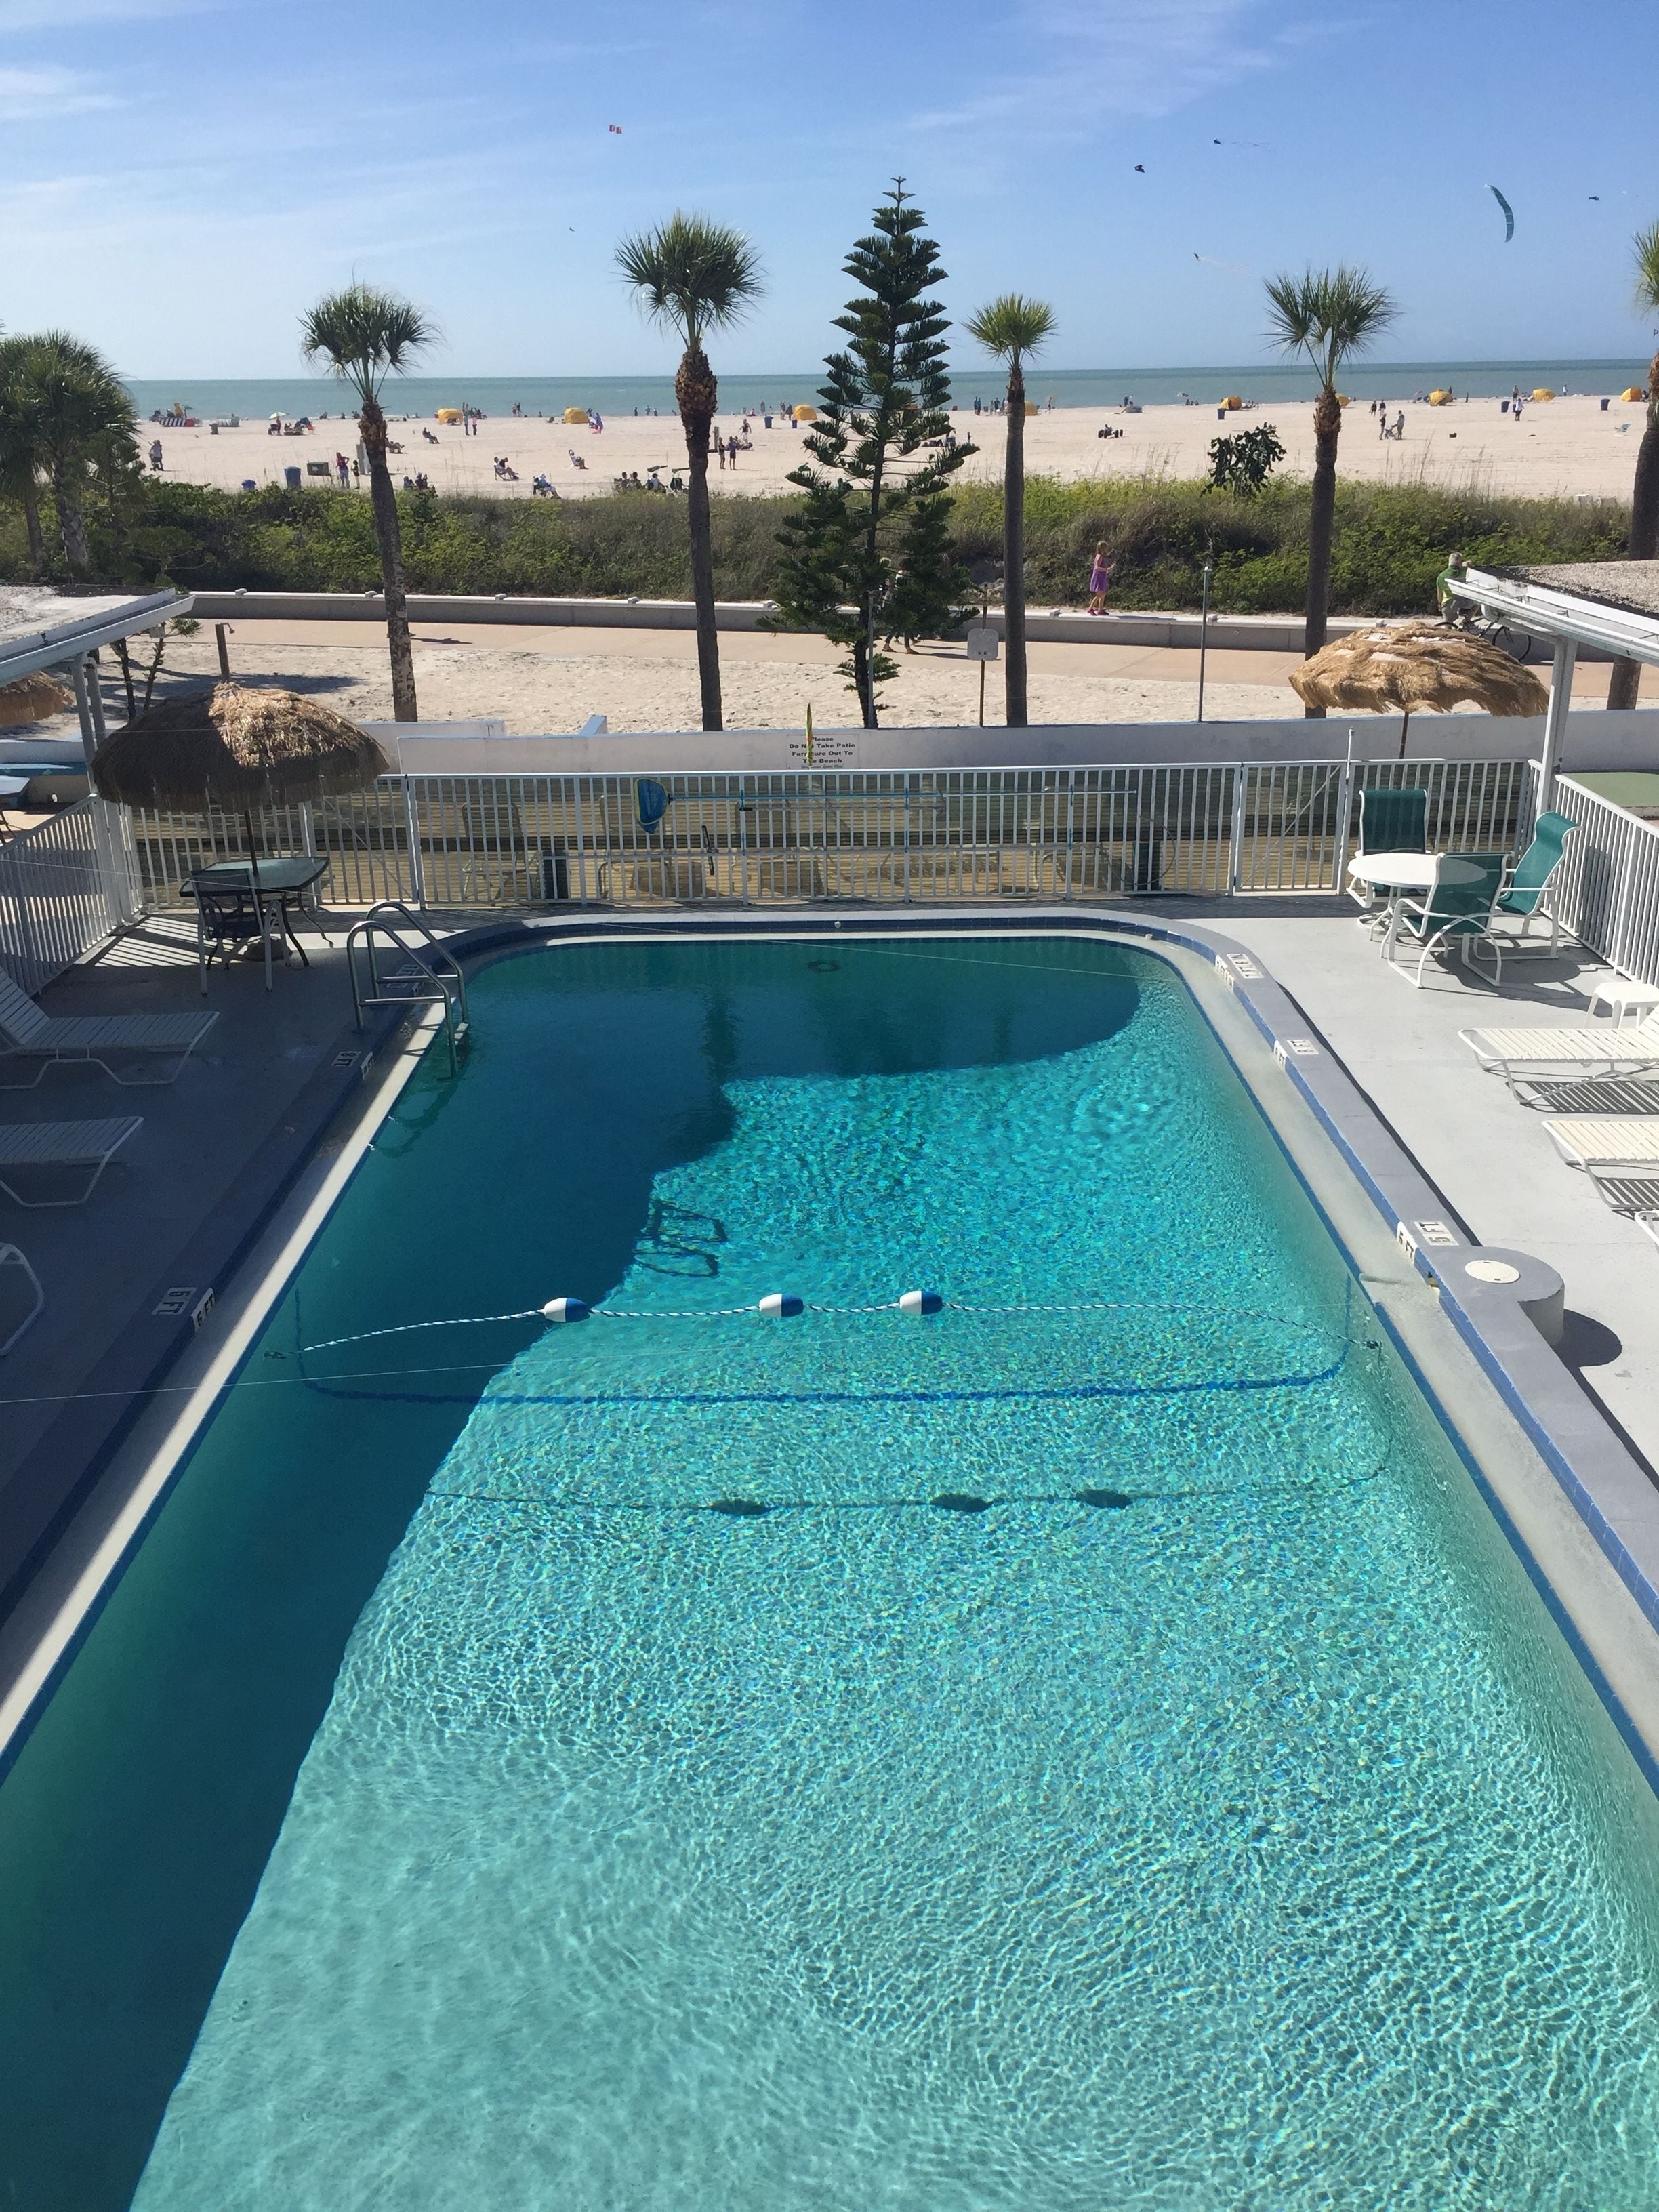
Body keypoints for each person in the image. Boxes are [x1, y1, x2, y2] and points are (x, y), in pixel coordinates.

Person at [1435, 548, 1467, 623]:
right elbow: (1469, 565)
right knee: (1477, 604)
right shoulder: (1463, 570)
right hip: (1461, 602)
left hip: (1446, 603)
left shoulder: (1442, 576)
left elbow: (1439, 592)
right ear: (1459, 562)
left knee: (1448, 624)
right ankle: (1467, 621)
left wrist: (1439, 603)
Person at [1087, 543, 1113, 615]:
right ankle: (1090, 608)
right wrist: (1106, 569)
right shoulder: (1100, 557)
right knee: (1099, 594)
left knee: (1103, 593)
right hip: (1099, 577)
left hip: (1102, 576)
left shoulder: (1101, 556)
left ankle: (1100, 609)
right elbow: (1097, 567)